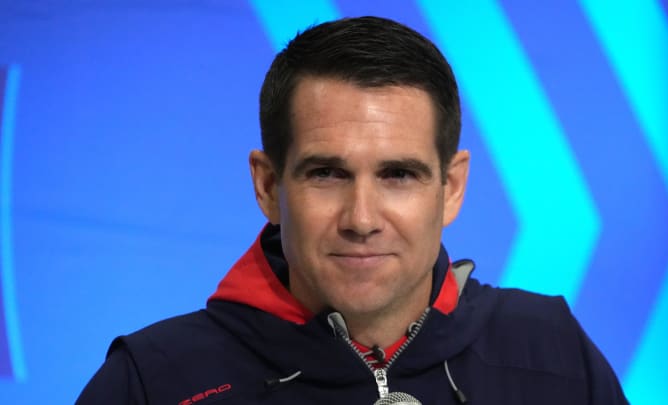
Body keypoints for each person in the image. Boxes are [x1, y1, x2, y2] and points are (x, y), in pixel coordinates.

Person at [77, 16, 628, 404]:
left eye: (398, 175)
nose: (361, 219)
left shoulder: (553, 350)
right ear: (268, 186)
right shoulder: (153, 382)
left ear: (452, 187)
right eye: (327, 174)